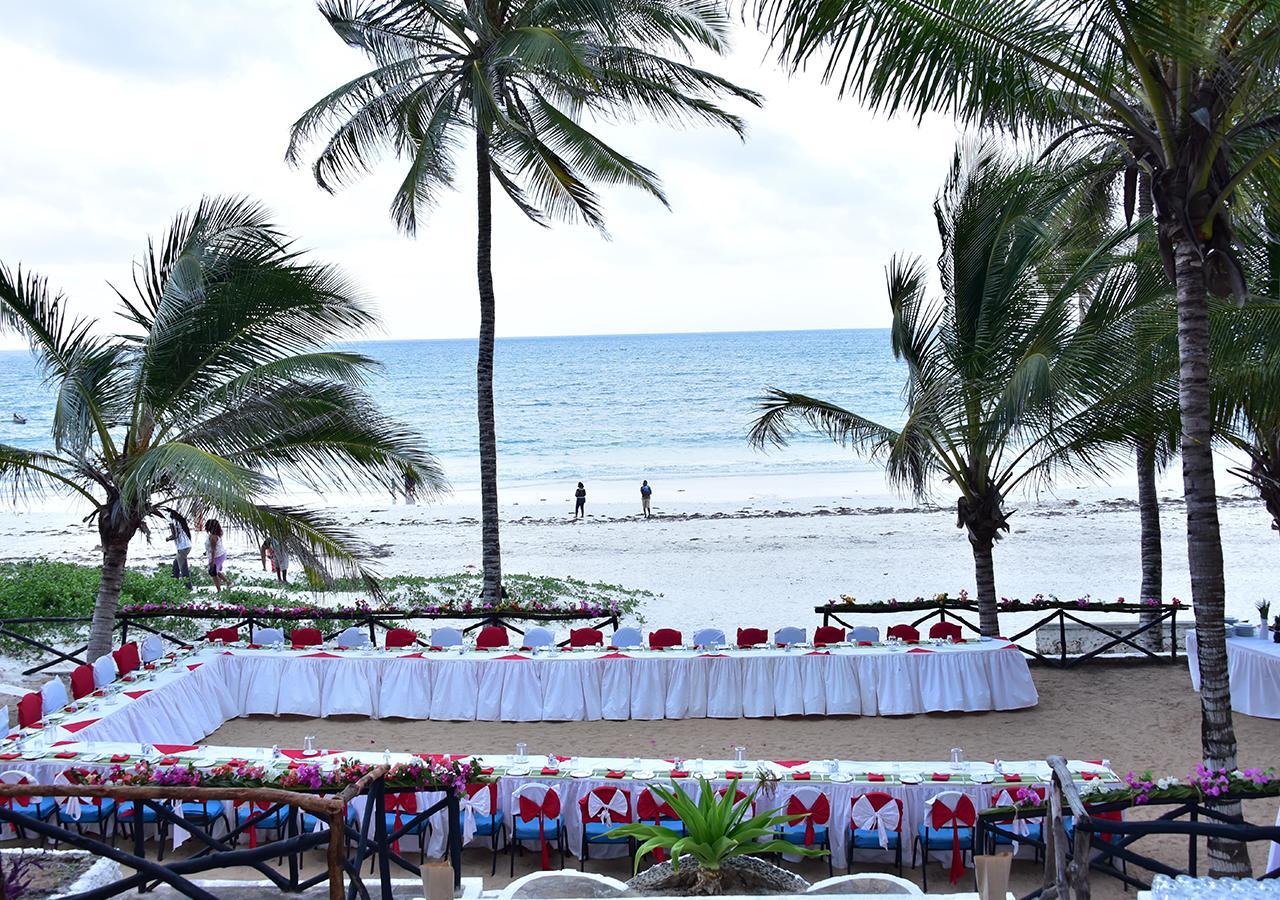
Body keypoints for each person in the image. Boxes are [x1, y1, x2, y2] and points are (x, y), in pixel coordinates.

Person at [165, 511, 193, 588]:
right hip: (187, 545)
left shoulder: (171, 521)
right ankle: (173, 584)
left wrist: (168, 538)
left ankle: (188, 587)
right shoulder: (178, 521)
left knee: (183, 569)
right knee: (175, 566)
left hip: (182, 547)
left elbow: (175, 535)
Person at [205, 519, 229, 592]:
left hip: (217, 556)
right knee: (216, 571)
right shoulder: (214, 535)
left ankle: (219, 590)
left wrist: (212, 561)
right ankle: (229, 583)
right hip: (219, 554)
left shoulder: (213, 537)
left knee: (213, 573)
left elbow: (213, 549)